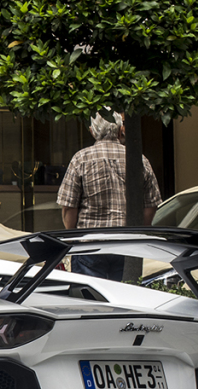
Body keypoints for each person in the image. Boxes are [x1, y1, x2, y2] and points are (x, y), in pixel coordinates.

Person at [56, 112, 162, 281]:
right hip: (127, 245)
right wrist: (139, 230)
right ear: (121, 131)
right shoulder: (139, 160)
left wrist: (73, 237)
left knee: (90, 301)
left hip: (89, 245)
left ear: (92, 131)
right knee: (125, 299)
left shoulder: (80, 159)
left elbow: (69, 206)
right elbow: (151, 204)